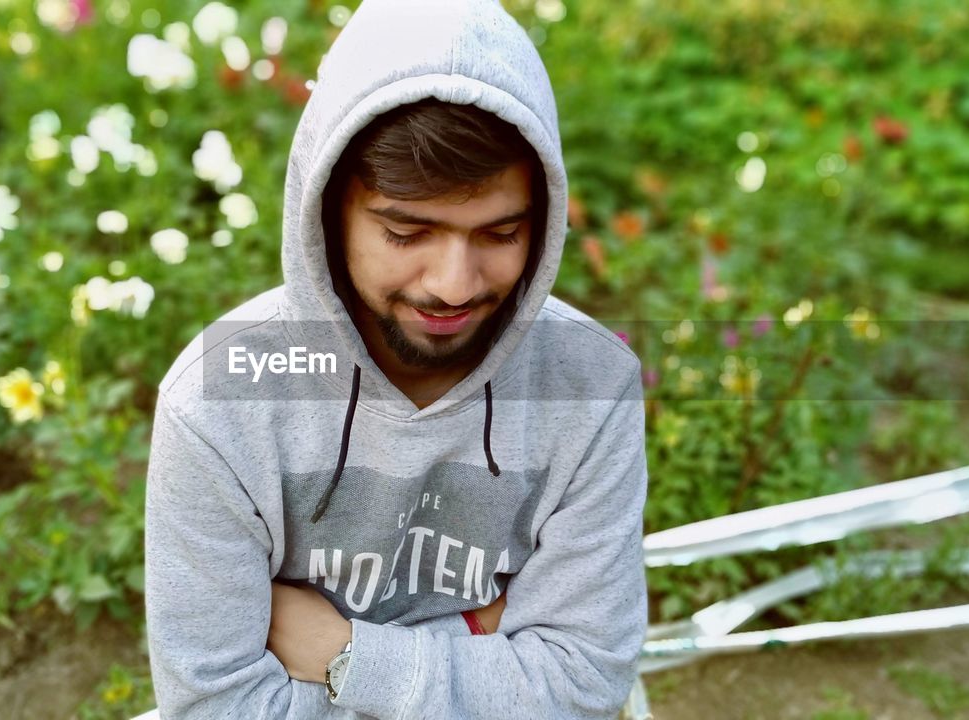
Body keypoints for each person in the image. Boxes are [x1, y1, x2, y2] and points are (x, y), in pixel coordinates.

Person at [143, 0, 648, 717]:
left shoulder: (591, 388)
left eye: (500, 232)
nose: (453, 284)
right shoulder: (219, 399)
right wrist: (483, 633)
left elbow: (580, 686)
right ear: (328, 211)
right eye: (406, 232)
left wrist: (344, 654)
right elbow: (215, 707)